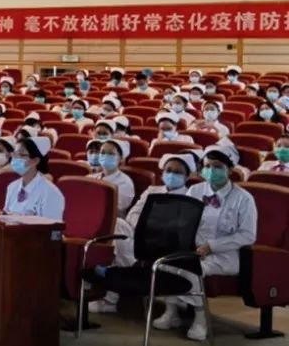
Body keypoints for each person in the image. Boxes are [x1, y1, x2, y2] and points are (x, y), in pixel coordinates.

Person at [154, 145, 257, 341]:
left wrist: (211, 246)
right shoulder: (195, 190)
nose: (211, 170)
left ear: (230, 169)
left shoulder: (244, 199)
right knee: (167, 263)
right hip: (194, 250)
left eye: (217, 166)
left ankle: (200, 319)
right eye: (207, 166)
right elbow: (183, 221)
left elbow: (248, 235)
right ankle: (171, 311)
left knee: (192, 269)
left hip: (226, 255)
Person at [88, 152, 198, 314]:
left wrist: (154, 225)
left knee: (120, 246)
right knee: (117, 224)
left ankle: (112, 294)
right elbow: (133, 214)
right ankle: (126, 268)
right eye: (168, 170)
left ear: (187, 176)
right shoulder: (152, 190)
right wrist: (147, 226)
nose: (171, 175)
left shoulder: (190, 196)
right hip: (140, 234)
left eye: (178, 172)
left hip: (165, 243)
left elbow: (181, 226)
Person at [3, 137, 65, 220]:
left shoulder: (51, 192)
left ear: (35, 160)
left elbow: (53, 226)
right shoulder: (12, 187)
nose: (15, 159)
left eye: (21, 155)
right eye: (15, 154)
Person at [91, 139, 135, 217]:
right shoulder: (90, 178)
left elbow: (114, 209)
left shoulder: (125, 183)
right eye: (102, 153)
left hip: (114, 221)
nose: (105, 156)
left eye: (111, 153)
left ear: (121, 158)